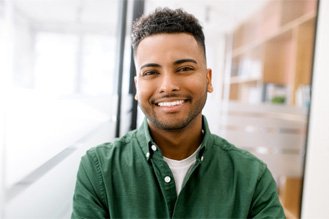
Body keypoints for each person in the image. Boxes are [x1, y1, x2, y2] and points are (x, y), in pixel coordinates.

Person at [71, 8, 285, 218]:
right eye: (151, 72)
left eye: (184, 69)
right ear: (137, 86)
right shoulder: (99, 168)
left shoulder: (251, 177)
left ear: (208, 79)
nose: (168, 86)